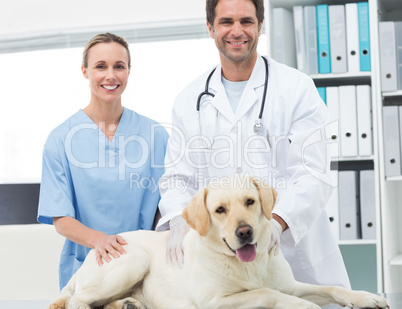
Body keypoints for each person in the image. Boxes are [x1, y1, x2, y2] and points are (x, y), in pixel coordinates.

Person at [156, 0, 350, 308]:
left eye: (246, 21)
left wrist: (276, 222)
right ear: (210, 28)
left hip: (292, 252)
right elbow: (177, 177)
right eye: (226, 22)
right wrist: (180, 220)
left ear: (260, 25)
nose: (237, 31)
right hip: (224, 272)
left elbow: (313, 173)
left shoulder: (296, 88)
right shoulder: (188, 100)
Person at [37, 33, 169, 290]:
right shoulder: (60, 139)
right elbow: (60, 218)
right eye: (100, 66)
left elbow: (166, 204)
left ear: (129, 71)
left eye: (119, 66)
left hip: (144, 268)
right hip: (86, 269)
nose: (111, 75)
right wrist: (101, 241)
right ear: (85, 72)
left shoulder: (156, 135)